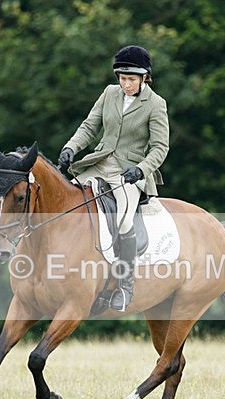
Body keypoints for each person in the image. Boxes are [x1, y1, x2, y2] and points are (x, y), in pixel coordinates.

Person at [58, 45, 170, 312]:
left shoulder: (156, 104)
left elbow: (160, 148)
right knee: (70, 202)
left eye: (131, 79)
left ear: (145, 78)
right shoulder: (109, 93)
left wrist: (141, 170)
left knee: (122, 220)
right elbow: (89, 126)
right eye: (122, 78)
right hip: (99, 163)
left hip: (129, 173)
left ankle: (125, 285)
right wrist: (70, 148)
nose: (126, 84)